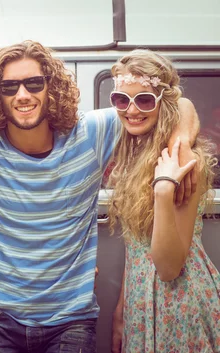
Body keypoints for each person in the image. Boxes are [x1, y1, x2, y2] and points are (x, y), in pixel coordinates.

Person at [0, 40, 200, 353]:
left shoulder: (89, 134)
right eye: (9, 87)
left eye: (34, 83)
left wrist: (179, 150)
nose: (22, 95)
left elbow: (178, 105)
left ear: (52, 87)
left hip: (70, 320)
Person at [107, 50, 220, 353]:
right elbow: (136, 248)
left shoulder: (183, 160)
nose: (131, 110)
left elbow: (169, 268)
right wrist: (121, 308)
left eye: (144, 99)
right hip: (140, 301)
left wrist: (162, 191)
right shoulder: (134, 155)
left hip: (180, 303)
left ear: (163, 103)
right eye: (121, 99)